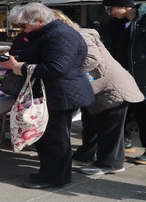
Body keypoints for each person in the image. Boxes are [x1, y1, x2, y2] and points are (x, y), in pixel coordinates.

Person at [0, 3, 94, 189]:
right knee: (48, 137)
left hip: (61, 94)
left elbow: (56, 68)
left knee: (55, 139)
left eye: (23, 26)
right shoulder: (50, 33)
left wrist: (18, 67)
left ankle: (55, 178)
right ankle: (48, 173)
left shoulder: (60, 35)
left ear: (39, 21)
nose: (22, 30)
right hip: (54, 92)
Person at [53, 10, 143, 175]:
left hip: (112, 88)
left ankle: (111, 164)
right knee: (91, 124)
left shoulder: (81, 36)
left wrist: (67, 69)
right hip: (99, 88)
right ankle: (86, 155)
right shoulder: (77, 35)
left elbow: (92, 59)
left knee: (110, 129)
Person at [101, 0, 146, 164]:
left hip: (141, 74)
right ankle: (125, 141)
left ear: (123, 7)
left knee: (143, 113)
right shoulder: (117, 24)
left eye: (110, 9)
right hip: (125, 73)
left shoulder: (142, 20)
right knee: (127, 110)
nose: (109, 13)